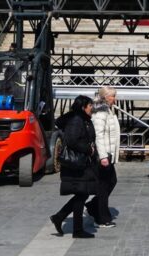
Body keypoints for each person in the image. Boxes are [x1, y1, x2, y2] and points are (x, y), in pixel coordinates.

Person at [51, 95, 100, 239]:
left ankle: (59, 217)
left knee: (82, 194)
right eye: (90, 106)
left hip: (83, 163)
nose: (92, 108)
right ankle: (76, 230)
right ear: (83, 107)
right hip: (77, 164)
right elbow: (72, 141)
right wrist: (88, 149)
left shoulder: (83, 120)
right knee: (82, 194)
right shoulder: (76, 121)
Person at [87, 86, 120, 228]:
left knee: (111, 181)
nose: (115, 98)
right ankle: (102, 217)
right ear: (106, 97)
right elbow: (99, 136)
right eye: (113, 96)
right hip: (103, 155)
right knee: (104, 185)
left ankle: (94, 206)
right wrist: (103, 156)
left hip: (108, 152)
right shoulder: (100, 112)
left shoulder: (107, 110)